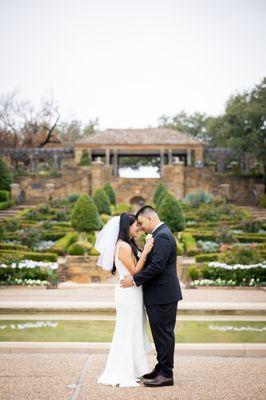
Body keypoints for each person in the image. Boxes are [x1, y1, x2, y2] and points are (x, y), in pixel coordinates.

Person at [120, 205, 183, 387]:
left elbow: (157, 266)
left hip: (162, 294)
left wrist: (135, 279)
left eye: (141, 223)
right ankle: (161, 367)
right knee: (160, 333)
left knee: (163, 334)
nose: (139, 227)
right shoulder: (160, 234)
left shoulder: (162, 236)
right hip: (159, 294)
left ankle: (166, 374)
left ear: (150, 219)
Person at [95, 212, 154, 387]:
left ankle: (134, 369)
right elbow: (135, 271)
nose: (138, 228)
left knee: (133, 328)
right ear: (126, 226)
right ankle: (124, 370)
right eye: (135, 225)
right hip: (128, 292)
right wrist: (146, 251)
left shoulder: (125, 245)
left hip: (132, 291)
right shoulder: (124, 247)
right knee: (128, 329)